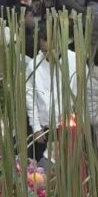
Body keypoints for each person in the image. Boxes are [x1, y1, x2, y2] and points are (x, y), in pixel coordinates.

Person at [25, 26, 80, 161]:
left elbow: (83, 93)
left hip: (70, 126)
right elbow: (30, 98)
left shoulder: (75, 60)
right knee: (43, 168)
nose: (49, 55)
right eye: (45, 51)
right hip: (45, 128)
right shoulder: (34, 65)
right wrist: (36, 127)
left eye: (53, 49)